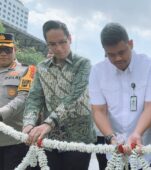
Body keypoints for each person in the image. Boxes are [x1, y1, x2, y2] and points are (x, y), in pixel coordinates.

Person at [89, 22, 151, 169]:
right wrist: (111, 138)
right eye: (111, 54)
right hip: (114, 152)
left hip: (146, 150)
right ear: (104, 50)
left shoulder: (150, 66)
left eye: (122, 52)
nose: (117, 58)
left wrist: (137, 133)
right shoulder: (97, 71)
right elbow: (99, 111)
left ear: (131, 44)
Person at [22, 20, 96, 170]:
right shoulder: (42, 68)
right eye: (52, 44)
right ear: (47, 44)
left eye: (62, 42)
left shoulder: (83, 64)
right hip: (49, 139)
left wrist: (48, 123)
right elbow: (35, 98)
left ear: (70, 38)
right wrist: (28, 124)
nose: (59, 48)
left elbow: (75, 98)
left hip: (78, 140)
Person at [0, 33, 35, 170]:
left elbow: (23, 97)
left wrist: (1, 113)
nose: (3, 53)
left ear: (15, 50)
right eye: (0, 50)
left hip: (13, 141)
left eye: (7, 50)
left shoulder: (27, 70)